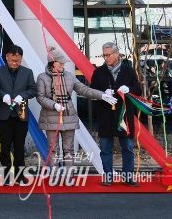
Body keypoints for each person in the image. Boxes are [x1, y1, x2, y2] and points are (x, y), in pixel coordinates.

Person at [36, 47, 116, 170]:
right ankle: (55, 174)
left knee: (69, 149)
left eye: (63, 63)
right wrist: (54, 105)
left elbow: (84, 90)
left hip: (68, 116)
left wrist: (102, 95)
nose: (63, 65)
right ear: (52, 63)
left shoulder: (69, 76)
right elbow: (40, 97)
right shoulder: (42, 77)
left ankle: (69, 174)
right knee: (53, 149)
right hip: (50, 118)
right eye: (60, 63)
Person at [90, 41, 142, 186]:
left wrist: (129, 89)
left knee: (127, 148)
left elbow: (138, 90)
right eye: (104, 55)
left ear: (117, 54)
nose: (106, 58)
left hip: (124, 117)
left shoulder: (128, 70)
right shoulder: (98, 72)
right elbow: (91, 91)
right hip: (105, 116)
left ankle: (128, 176)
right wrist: (102, 94)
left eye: (108, 55)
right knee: (105, 149)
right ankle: (108, 176)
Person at [0, 44, 36, 184]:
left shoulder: (27, 72)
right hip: (3, 115)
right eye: (12, 60)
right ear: (7, 57)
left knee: (19, 147)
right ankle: (6, 175)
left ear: (21, 58)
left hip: (20, 115)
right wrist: (3, 95)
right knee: (5, 146)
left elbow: (33, 90)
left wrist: (22, 96)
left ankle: (20, 175)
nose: (15, 63)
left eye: (17, 60)